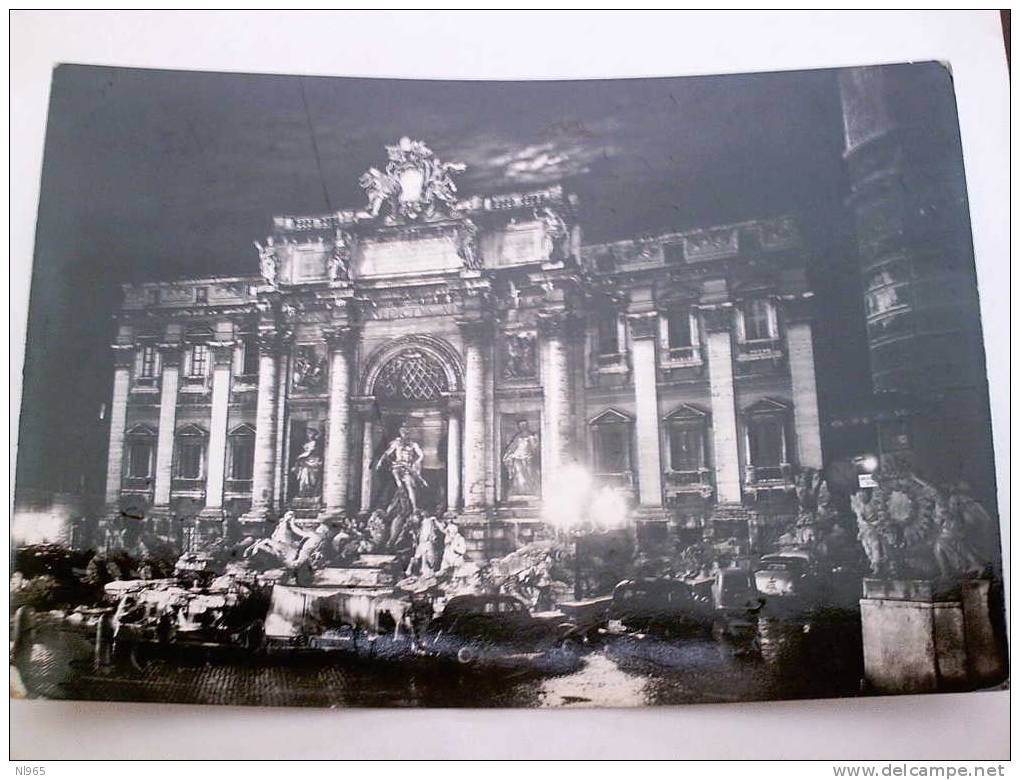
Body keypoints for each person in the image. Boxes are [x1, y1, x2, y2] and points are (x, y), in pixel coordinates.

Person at [375, 423, 426, 511]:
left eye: (407, 433)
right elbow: (386, 453)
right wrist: (380, 462)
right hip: (397, 466)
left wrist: (416, 462)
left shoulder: (413, 445)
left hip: (407, 467)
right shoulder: (396, 443)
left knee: (410, 486)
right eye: (404, 433)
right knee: (399, 484)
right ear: (401, 433)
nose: (405, 435)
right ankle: (399, 493)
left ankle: (414, 507)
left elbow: (421, 455)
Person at [502, 419, 540, 497]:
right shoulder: (518, 437)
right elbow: (512, 446)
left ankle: (530, 491)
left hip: (528, 457)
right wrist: (509, 454)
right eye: (521, 426)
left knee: (529, 474)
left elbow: (535, 448)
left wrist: (534, 440)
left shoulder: (531, 436)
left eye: (524, 425)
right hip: (517, 457)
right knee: (519, 474)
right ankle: (520, 492)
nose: (523, 427)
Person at [291, 428, 323, 497]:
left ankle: (310, 493)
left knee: (311, 478)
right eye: (308, 433)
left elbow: (309, 452)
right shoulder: (306, 443)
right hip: (305, 463)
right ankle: (303, 492)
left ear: (314, 434)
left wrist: (300, 457)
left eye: (310, 433)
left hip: (312, 462)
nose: (309, 435)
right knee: (303, 478)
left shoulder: (314, 443)